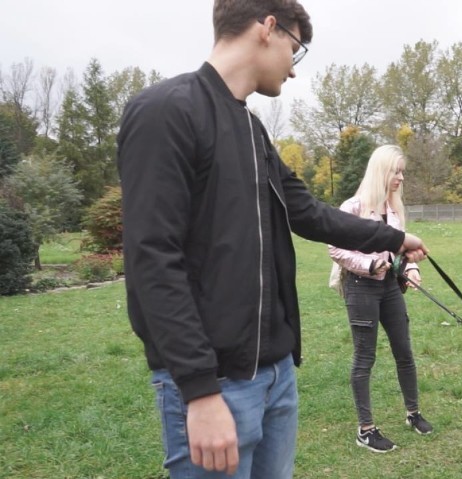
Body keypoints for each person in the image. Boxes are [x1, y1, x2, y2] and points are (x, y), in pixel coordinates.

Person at [116, 2, 428, 478]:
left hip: (276, 376)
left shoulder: (251, 128)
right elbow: (152, 260)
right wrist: (199, 392)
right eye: (296, 49)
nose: (294, 70)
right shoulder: (167, 111)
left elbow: (308, 213)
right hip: (215, 386)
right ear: (268, 29)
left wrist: (395, 236)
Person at [328, 145, 432, 453]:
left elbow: (401, 247)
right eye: (395, 171)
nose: (400, 177)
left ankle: (413, 414)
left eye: (402, 172)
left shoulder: (394, 208)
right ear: (380, 171)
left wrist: (411, 267)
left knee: (405, 351)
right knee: (365, 357)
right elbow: (336, 249)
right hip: (361, 287)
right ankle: (366, 429)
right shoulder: (353, 207)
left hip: (389, 288)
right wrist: (369, 264)